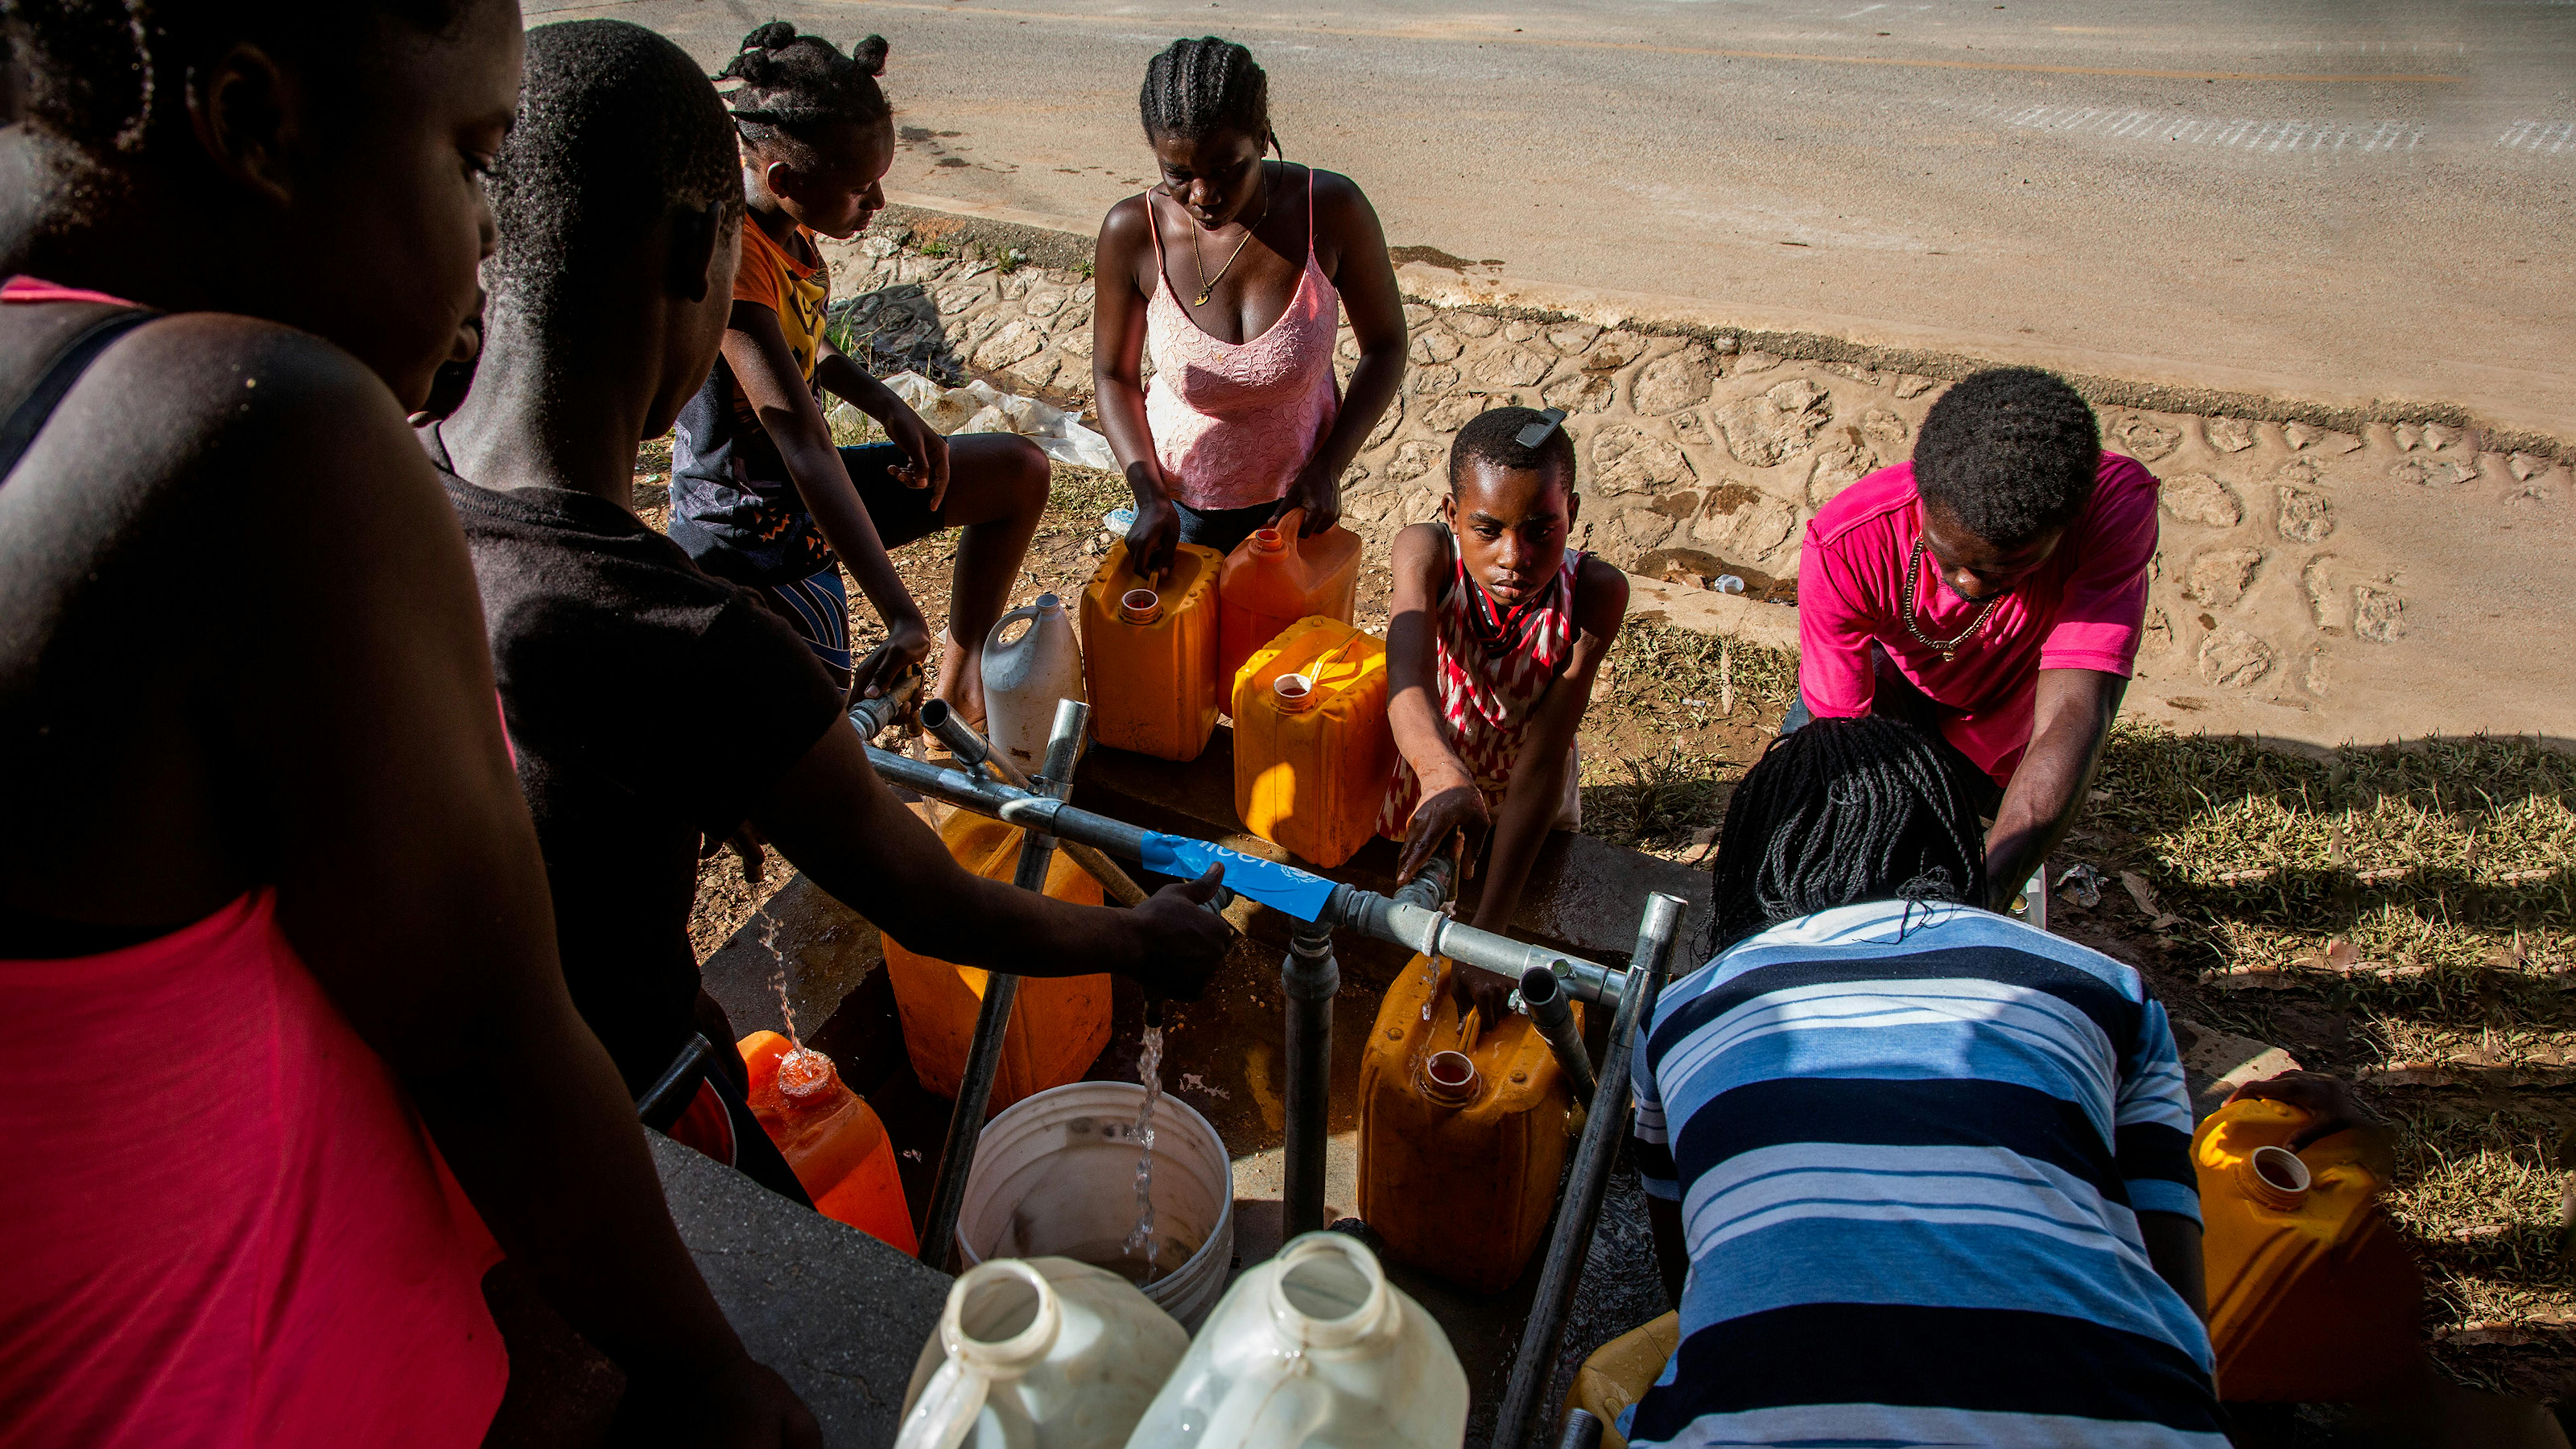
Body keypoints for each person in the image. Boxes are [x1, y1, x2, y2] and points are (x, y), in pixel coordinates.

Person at [0, 3, 814, 1446]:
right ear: (256, 123)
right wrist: (710, 1377)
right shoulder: (256, 432)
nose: (492, 240)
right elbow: (487, 1038)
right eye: (469, 157)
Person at [425, 20, 1233, 1197]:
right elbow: (919, 889)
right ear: (705, 250)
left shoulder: (386, 487)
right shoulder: (689, 642)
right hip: (620, 1130)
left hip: (457, 1116)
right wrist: (1137, 936)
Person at [1623, 714, 2221, 1447]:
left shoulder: (1687, 1013)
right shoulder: (2105, 990)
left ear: (1752, 862)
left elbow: (1692, 1278)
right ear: (1948, 841)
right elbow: (2177, 1308)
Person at [670, 23, 1047, 721]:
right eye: (860, 189)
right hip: (748, 537)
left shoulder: (790, 226)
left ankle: (956, 702)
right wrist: (903, 615)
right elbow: (803, 444)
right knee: (808, 743)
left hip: (807, 496)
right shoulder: (732, 259)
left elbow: (806, 346)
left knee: (1017, 471)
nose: (876, 205)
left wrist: (886, 404)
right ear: (785, 180)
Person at [1793, 366, 2156, 911]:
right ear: (1924, 496)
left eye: (2007, 568)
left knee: (1946, 857)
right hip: (1902, 702)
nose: (1967, 584)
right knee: (1807, 785)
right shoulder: (1849, 539)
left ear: (2064, 528)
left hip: (2007, 741)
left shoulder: (2113, 508)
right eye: (1949, 556)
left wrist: (1979, 901)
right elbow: (1841, 732)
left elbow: (2075, 714)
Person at [1092, 35, 1406, 568]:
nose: (1204, 196)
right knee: (1186, 651)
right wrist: (1149, 495)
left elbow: (1386, 344)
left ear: (1262, 138)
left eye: (1226, 169)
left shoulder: (1330, 212)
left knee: (1290, 651)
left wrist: (1330, 466)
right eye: (1179, 175)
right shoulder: (1133, 233)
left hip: (1298, 504)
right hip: (1180, 507)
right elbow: (1113, 376)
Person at [1381, 407, 1628, 1026]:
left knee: (1502, 901)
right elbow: (1406, 680)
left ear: (1571, 511)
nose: (1513, 557)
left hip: (1528, 794)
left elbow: (1544, 755)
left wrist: (1488, 938)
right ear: (1450, 515)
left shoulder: (1596, 594)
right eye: (1486, 530)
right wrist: (1442, 777)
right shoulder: (1425, 554)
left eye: (1542, 530)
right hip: (1433, 763)